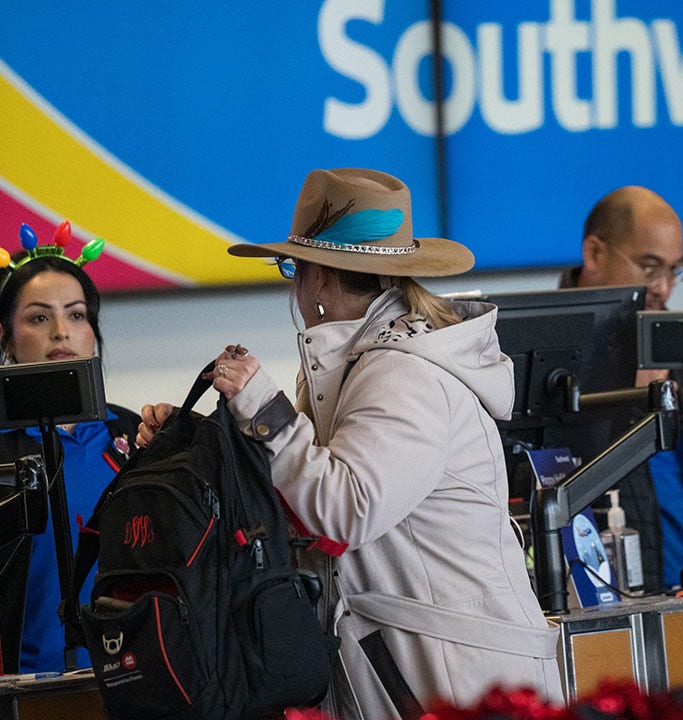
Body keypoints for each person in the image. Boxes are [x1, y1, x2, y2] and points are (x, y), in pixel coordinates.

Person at [138, 168, 561, 720]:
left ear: (316, 275)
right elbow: (299, 501)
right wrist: (194, 443)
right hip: (434, 671)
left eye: (290, 267)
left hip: (460, 681)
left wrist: (263, 408)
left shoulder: (403, 374)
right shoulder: (368, 367)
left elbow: (345, 510)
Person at [559, 186, 683, 593]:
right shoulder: (550, 359)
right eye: (650, 267)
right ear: (595, 253)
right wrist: (630, 405)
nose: (664, 288)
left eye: (674, 270)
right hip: (609, 612)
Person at [0, 223, 139, 673]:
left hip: (135, 681)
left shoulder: (136, 436)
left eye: (77, 314)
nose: (62, 332)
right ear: (5, 335)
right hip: (19, 691)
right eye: (39, 317)